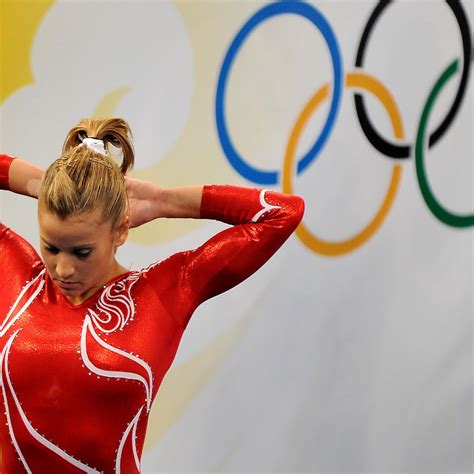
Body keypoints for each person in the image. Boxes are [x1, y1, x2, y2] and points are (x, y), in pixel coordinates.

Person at [0, 117, 304, 473]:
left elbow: (283, 213)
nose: (63, 269)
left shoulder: (165, 292)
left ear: (121, 231)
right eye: (51, 247)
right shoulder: (18, 275)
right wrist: (44, 184)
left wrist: (163, 201)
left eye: (82, 252)